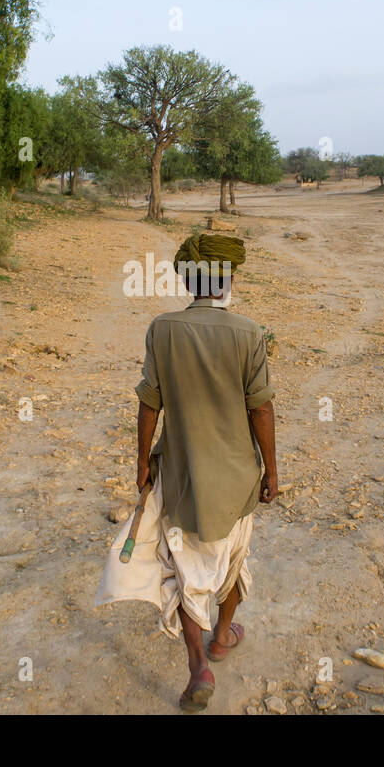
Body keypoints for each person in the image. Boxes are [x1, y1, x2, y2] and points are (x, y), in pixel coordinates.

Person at [95, 233, 278, 711]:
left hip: (180, 475)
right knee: (233, 559)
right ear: (228, 281)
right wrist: (272, 472)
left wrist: (141, 465)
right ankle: (222, 637)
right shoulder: (249, 333)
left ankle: (199, 664)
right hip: (237, 479)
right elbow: (261, 410)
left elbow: (148, 404)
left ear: (187, 281)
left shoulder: (163, 329)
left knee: (183, 566)